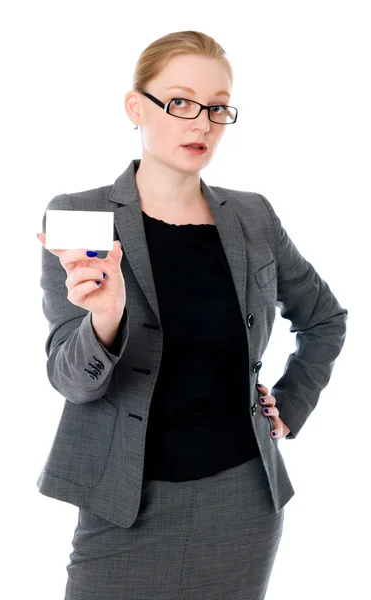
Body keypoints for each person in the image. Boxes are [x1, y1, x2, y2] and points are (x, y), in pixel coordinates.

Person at [36, 30, 348, 600]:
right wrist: (104, 317)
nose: (201, 123)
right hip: (123, 507)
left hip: (242, 506)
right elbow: (68, 378)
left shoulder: (253, 217)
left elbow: (325, 318)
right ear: (137, 107)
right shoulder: (81, 213)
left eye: (218, 107)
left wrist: (290, 406)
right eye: (180, 102)